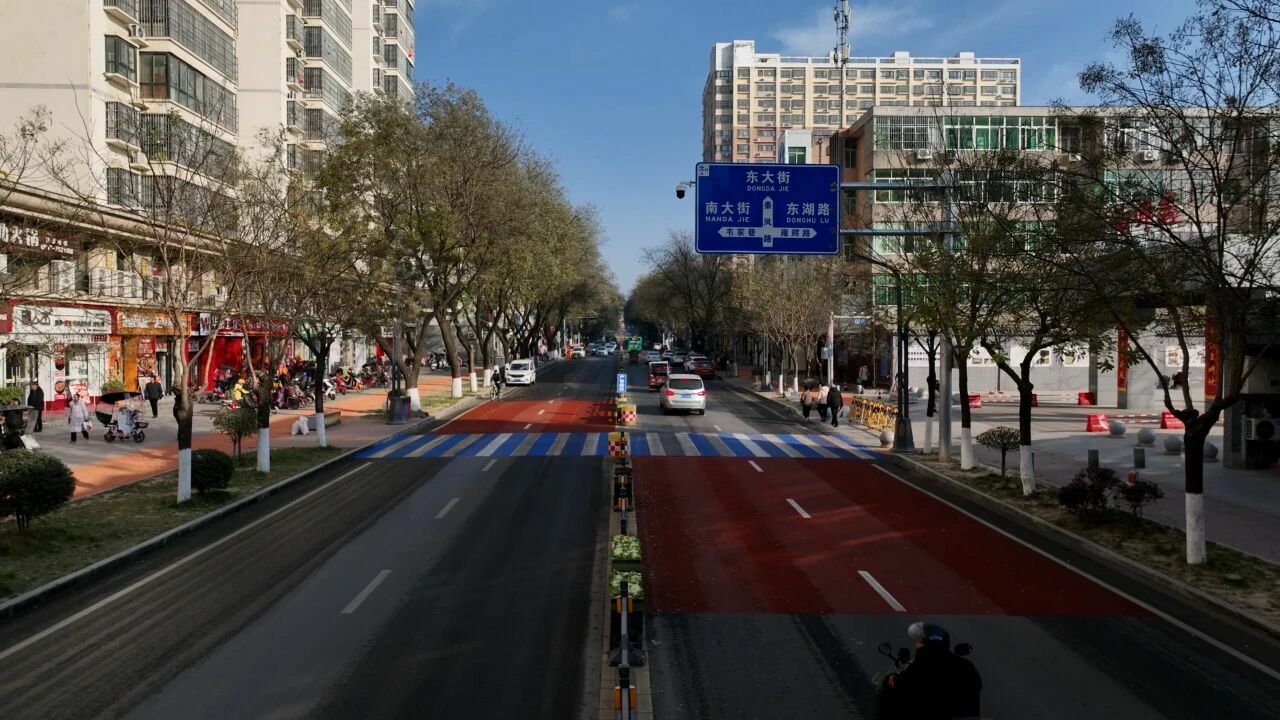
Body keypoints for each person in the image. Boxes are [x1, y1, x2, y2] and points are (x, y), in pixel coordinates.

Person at [884, 622, 982, 720]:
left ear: (927, 644)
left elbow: (897, 684)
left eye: (919, 642)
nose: (916, 645)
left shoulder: (921, 666)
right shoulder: (966, 666)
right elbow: (977, 686)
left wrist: (889, 679)